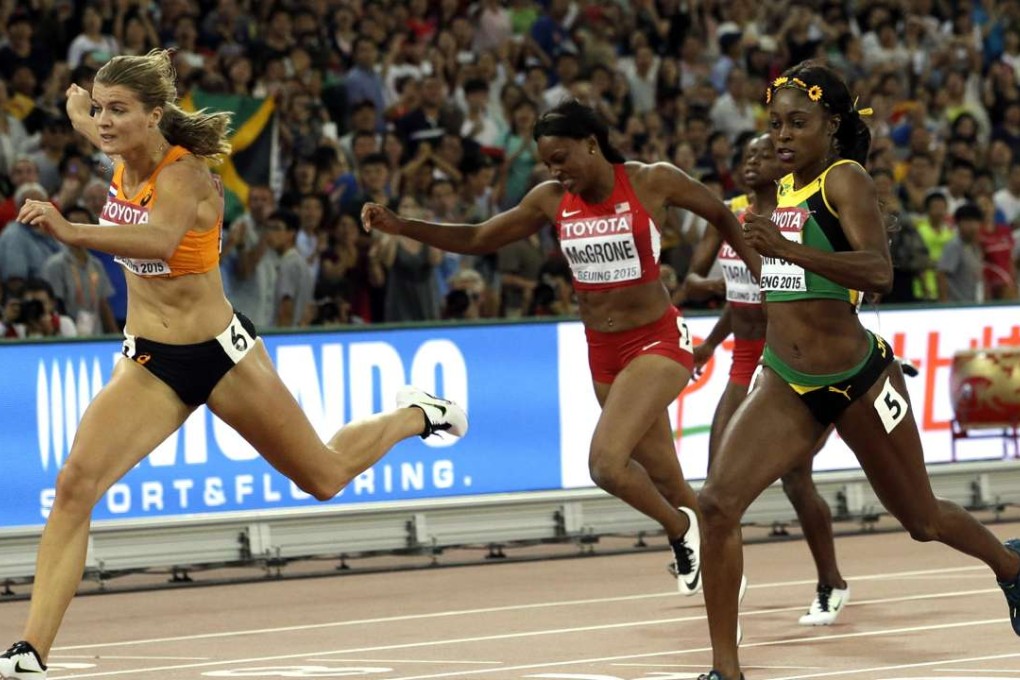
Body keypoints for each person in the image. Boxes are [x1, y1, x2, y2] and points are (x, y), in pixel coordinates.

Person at [0, 50, 467, 680]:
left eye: (119, 111)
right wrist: (77, 106)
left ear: (154, 116)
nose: (106, 123)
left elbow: (159, 241)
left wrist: (71, 230)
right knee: (74, 486)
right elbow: (86, 118)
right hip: (150, 363)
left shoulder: (186, 177)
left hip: (221, 356)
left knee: (324, 477)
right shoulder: (118, 146)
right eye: (103, 111)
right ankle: (30, 651)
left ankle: (418, 413)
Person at [695, 63, 1020, 680]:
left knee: (922, 520)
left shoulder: (844, 179)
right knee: (715, 505)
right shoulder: (781, 192)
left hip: (858, 381)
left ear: (832, 126)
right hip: (786, 381)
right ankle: (725, 670)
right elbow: (785, 285)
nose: (782, 136)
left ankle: (1012, 568)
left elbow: (878, 272)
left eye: (798, 123)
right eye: (775, 124)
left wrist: (785, 249)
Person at [363, 99, 760, 598]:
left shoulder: (651, 180)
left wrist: (762, 273)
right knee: (665, 475)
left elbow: (721, 214)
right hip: (603, 351)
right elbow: (480, 237)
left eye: (561, 158)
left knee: (606, 464)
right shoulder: (550, 200)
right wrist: (403, 226)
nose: (555, 171)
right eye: (547, 163)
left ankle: (681, 531)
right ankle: (725, 571)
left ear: (591, 145)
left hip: (658, 340)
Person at [686, 133, 849, 626]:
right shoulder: (732, 214)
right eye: (747, 154)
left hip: (793, 360)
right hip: (743, 359)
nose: (753, 161)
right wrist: (711, 338)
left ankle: (831, 582)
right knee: (715, 486)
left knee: (797, 479)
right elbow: (709, 286)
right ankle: (726, 580)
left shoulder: (797, 216)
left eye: (764, 153)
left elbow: (816, 291)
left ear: (784, 164)